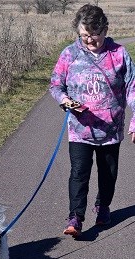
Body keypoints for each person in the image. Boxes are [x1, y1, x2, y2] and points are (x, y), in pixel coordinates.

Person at [50, 4, 135, 237]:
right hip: (80, 129)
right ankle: (75, 217)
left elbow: (132, 88)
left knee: (108, 173)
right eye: (84, 35)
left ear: (105, 30)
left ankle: (103, 206)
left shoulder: (119, 54)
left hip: (111, 129)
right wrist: (65, 100)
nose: (89, 40)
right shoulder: (69, 54)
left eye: (94, 35)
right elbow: (56, 84)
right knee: (79, 172)